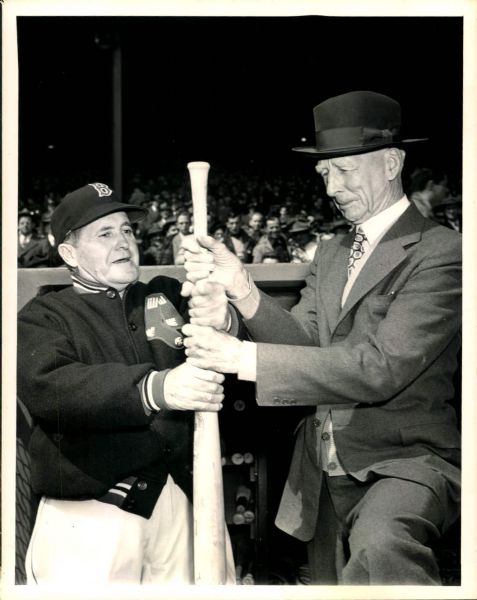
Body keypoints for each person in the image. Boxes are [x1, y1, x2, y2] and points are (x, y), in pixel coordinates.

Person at [180, 91, 462, 585]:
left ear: (392, 162)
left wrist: (241, 355)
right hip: (322, 472)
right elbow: (305, 342)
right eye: (325, 173)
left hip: (404, 464)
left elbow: (380, 367)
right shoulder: (332, 252)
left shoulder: (442, 252)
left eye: (346, 170)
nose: (332, 186)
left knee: (382, 550)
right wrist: (241, 287)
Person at [17, 182, 236, 584]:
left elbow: (239, 361)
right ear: (69, 253)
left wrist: (223, 316)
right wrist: (155, 388)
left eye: (127, 231)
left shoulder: (167, 294)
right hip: (89, 511)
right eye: (105, 233)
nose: (123, 242)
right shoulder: (45, 314)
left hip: (181, 495)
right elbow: (52, 389)